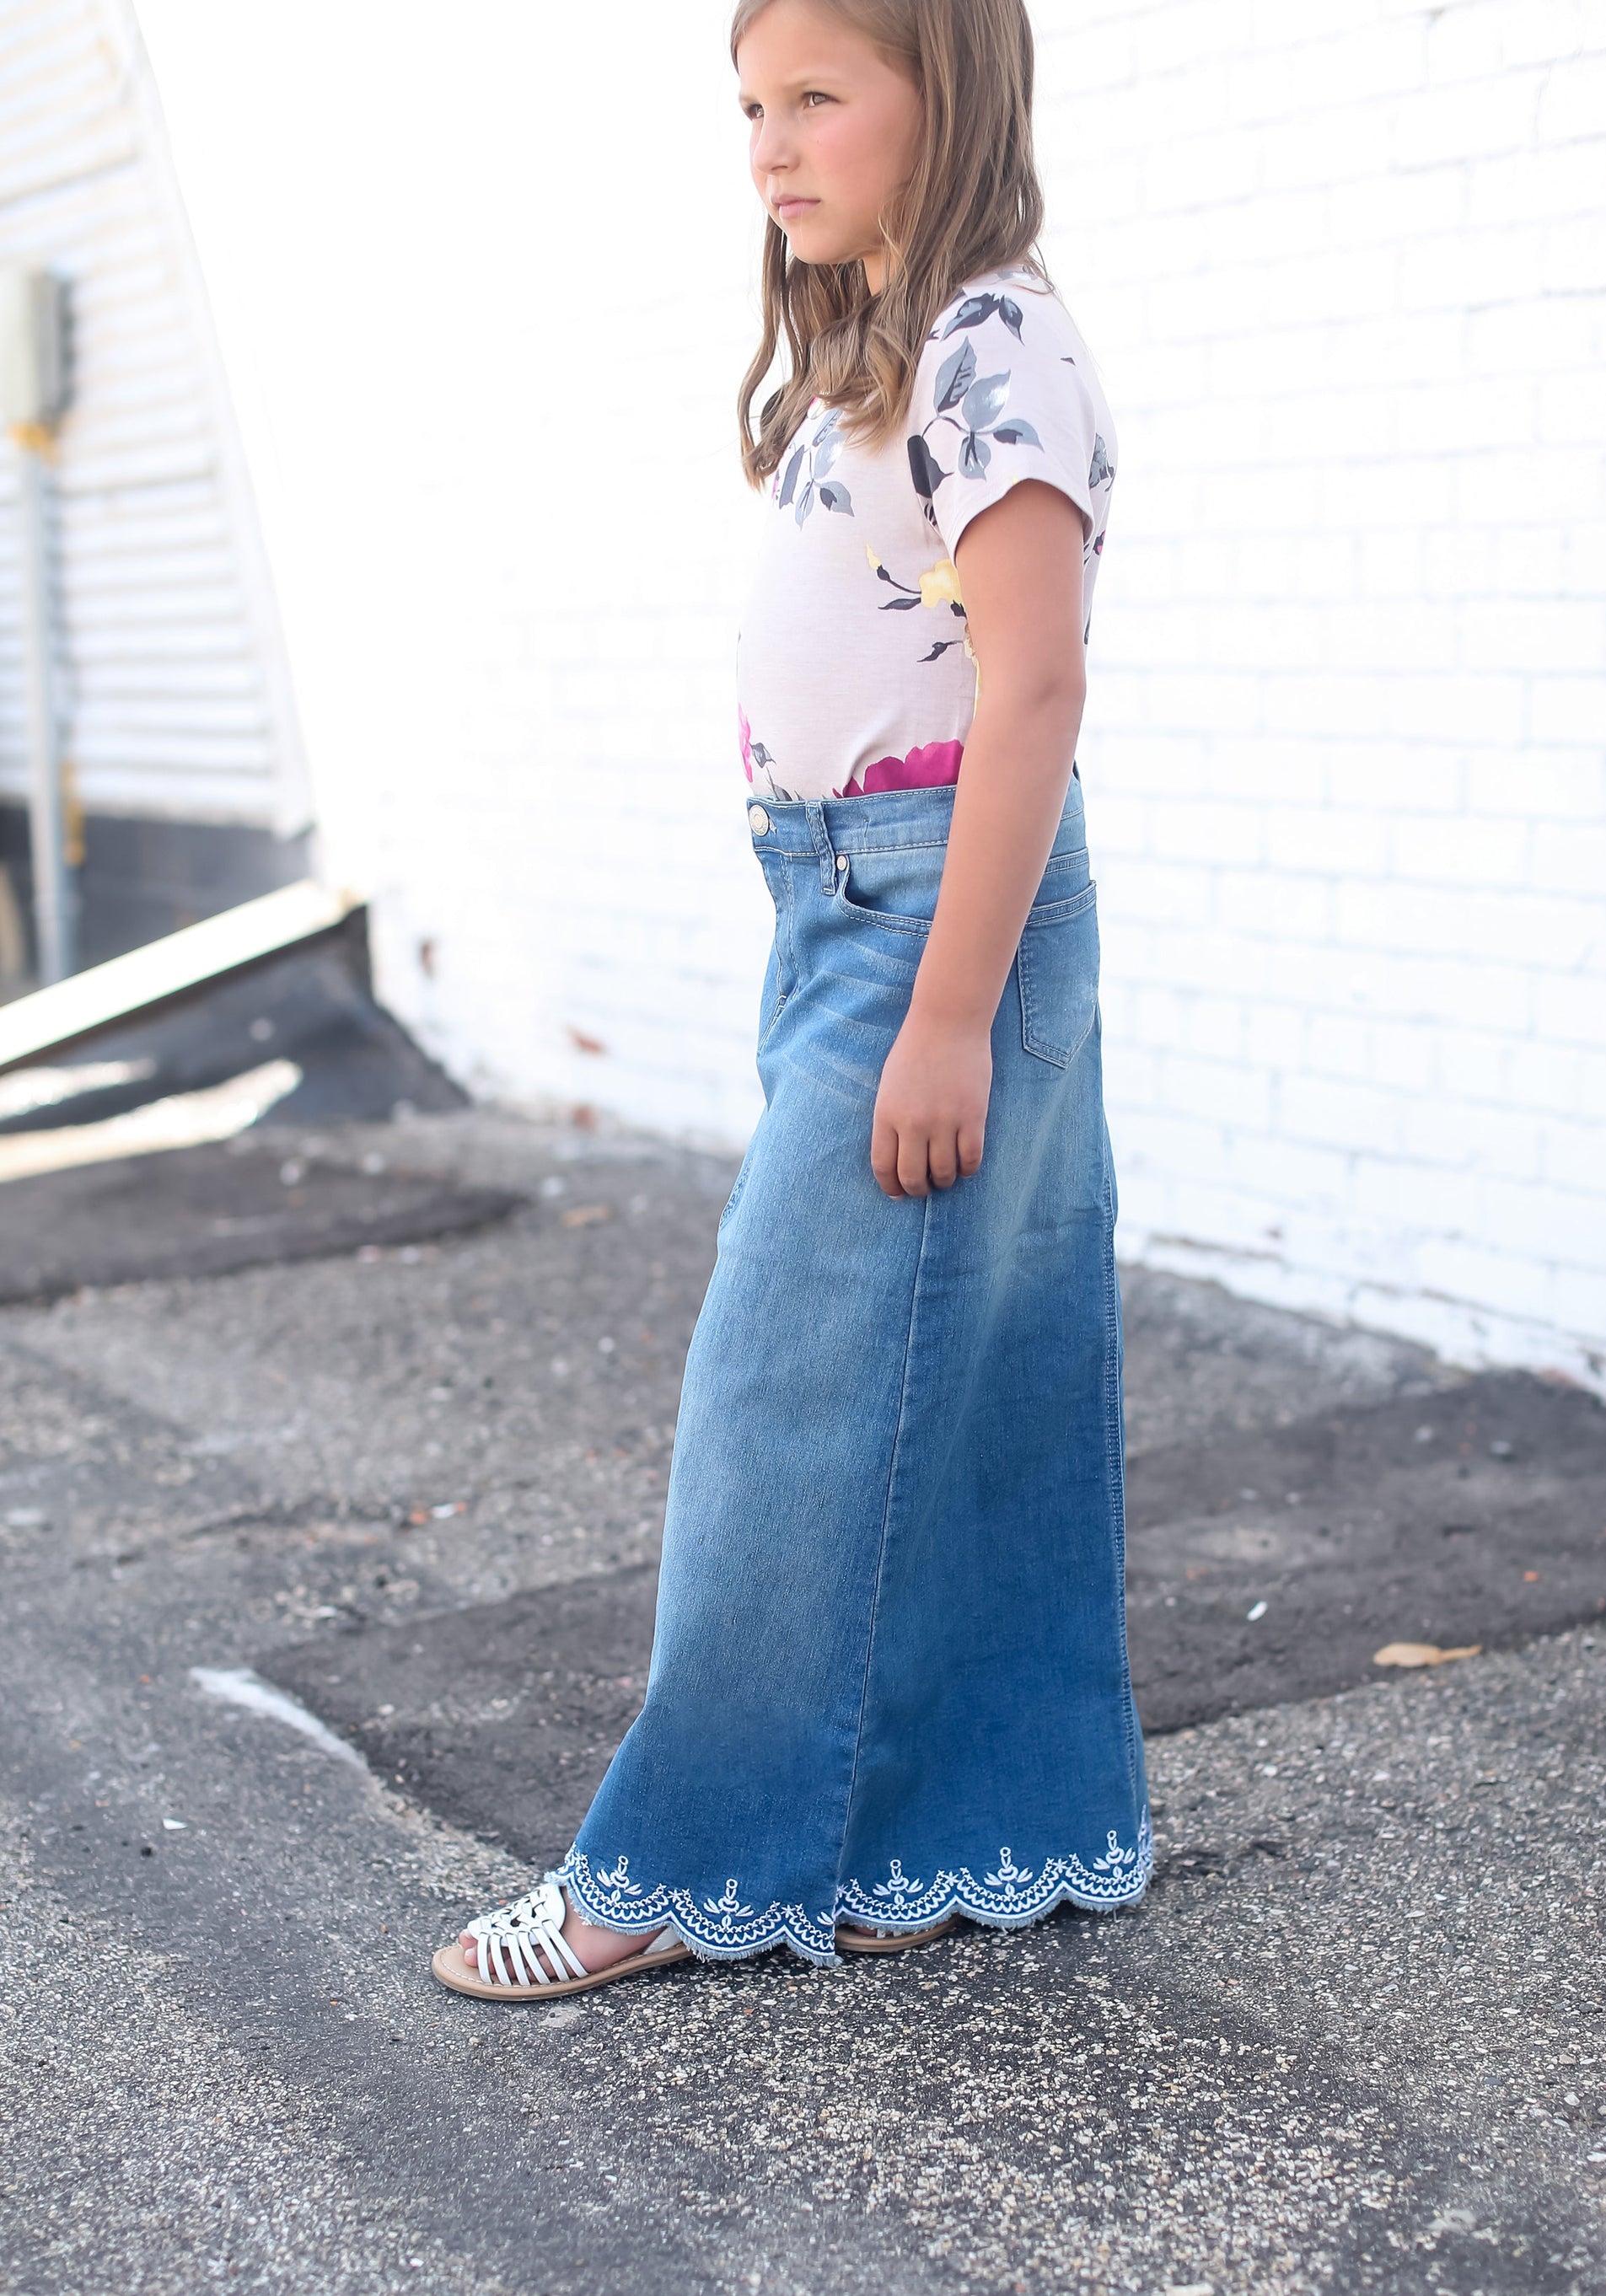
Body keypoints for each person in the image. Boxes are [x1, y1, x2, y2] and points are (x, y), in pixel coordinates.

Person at [433, 0, 1147, 2002]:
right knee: (957, 1385)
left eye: (819, 95)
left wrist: (941, 1013)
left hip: (938, 933)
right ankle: (986, 1827)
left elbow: (1038, 689)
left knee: (781, 1389)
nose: (770, 144)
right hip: (835, 910)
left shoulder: (1001, 339)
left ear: (953, 94)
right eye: (752, 104)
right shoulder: (888, 347)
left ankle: (670, 1865)